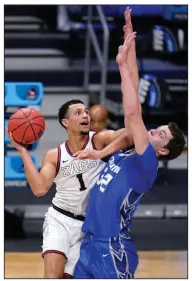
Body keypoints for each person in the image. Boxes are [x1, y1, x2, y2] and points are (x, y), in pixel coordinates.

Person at [73, 17, 186, 281]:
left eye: (163, 135)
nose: (157, 129)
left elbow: (134, 113)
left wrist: (122, 66)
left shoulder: (147, 163)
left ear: (163, 152)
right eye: (161, 127)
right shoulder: (130, 151)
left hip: (113, 247)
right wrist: (130, 49)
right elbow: (133, 92)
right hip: (90, 244)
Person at [7, 99, 135, 278]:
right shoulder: (54, 155)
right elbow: (39, 189)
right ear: (65, 123)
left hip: (88, 227)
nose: (85, 115)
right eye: (78, 112)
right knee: (52, 276)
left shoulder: (99, 140)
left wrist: (101, 153)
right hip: (59, 220)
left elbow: (131, 134)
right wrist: (23, 152)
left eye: (86, 112)